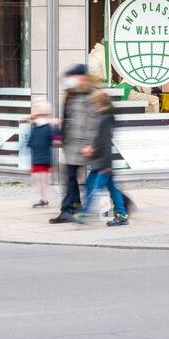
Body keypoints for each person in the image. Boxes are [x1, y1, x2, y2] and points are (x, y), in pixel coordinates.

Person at [76, 90, 129, 227]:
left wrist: (100, 158)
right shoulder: (105, 117)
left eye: (93, 103)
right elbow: (101, 140)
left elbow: (104, 142)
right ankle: (121, 215)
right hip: (102, 161)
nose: (92, 106)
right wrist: (93, 149)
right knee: (111, 188)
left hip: (103, 162)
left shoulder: (105, 118)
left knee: (94, 187)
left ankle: (86, 213)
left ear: (99, 103)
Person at [49, 65, 94, 225]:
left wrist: (88, 144)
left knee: (79, 178)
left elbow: (90, 122)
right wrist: (59, 135)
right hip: (71, 144)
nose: (69, 80)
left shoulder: (87, 95)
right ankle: (73, 207)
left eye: (72, 77)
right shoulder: (72, 94)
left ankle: (68, 209)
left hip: (81, 145)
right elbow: (68, 118)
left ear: (81, 78)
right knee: (71, 178)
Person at [25, 99, 56, 208]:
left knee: (41, 180)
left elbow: (53, 139)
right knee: (38, 180)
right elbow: (32, 141)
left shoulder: (46, 126)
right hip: (38, 157)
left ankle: (43, 199)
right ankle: (42, 199)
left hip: (43, 158)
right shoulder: (36, 126)